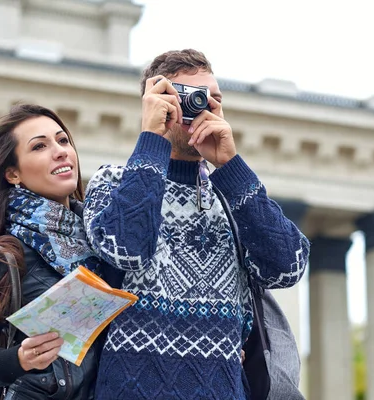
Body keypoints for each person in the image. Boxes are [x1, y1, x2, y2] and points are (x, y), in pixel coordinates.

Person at [83, 49, 310, 399]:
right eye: (185, 98)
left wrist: (230, 165)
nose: (200, 108)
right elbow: (126, 249)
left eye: (210, 99)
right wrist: (152, 141)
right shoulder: (113, 180)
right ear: (154, 102)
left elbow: (288, 267)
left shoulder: (232, 192)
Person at [0, 104, 106, 399]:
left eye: (63, 140)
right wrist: (18, 360)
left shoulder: (105, 242)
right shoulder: (3, 258)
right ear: (13, 173)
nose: (60, 151)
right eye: (40, 146)